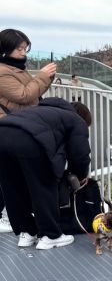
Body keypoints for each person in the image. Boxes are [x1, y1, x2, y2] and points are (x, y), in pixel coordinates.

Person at [0, 98, 91, 250]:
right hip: (30, 141)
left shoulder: (41, 110)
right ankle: (51, 236)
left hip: (2, 133)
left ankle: (27, 232)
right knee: (43, 185)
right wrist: (80, 177)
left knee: (12, 187)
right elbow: (80, 155)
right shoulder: (76, 120)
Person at [0, 29, 56, 234]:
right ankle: (22, 225)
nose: (23, 52)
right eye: (19, 48)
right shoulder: (3, 71)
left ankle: (23, 227)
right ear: (5, 50)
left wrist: (46, 78)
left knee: (10, 179)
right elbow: (23, 96)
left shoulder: (15, 68)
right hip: (11, 128)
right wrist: (41, 76)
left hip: (19, 125)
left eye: (25, 48)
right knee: (12, 180)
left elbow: (33, 95)